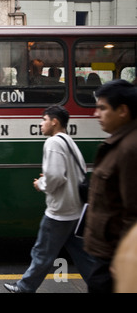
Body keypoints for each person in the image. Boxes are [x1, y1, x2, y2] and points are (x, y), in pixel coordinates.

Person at [4, 105, 94, 293]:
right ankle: (102, 284)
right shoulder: (69, 141)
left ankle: (24, 288)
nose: (40, 123)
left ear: (55, 122)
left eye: (44, 119)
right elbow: (76, 173)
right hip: (74, 209)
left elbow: (56, 177)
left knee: (42, 253)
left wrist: (41, 184)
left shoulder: (53, 143)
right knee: (83, 256)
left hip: (59, 211)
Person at [84, 79, 137, 293]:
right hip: (105, 252)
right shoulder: (119, 143)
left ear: (122, 111)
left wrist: (123, 257)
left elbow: (133, 211)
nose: (96, 114)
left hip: (113, 257)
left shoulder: (130, 149)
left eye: (102, 108)